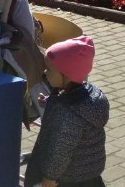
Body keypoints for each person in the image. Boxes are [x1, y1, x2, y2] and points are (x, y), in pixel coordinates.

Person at [24, 36, 109, 187]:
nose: (45, 72)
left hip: (67, 178)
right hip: (88, 173)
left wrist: (50, 177)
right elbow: (66, 102)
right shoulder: (83, 95)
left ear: (67, 75)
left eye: (49, 69)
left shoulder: (68, 115)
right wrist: (49, 101)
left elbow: (60, 151)